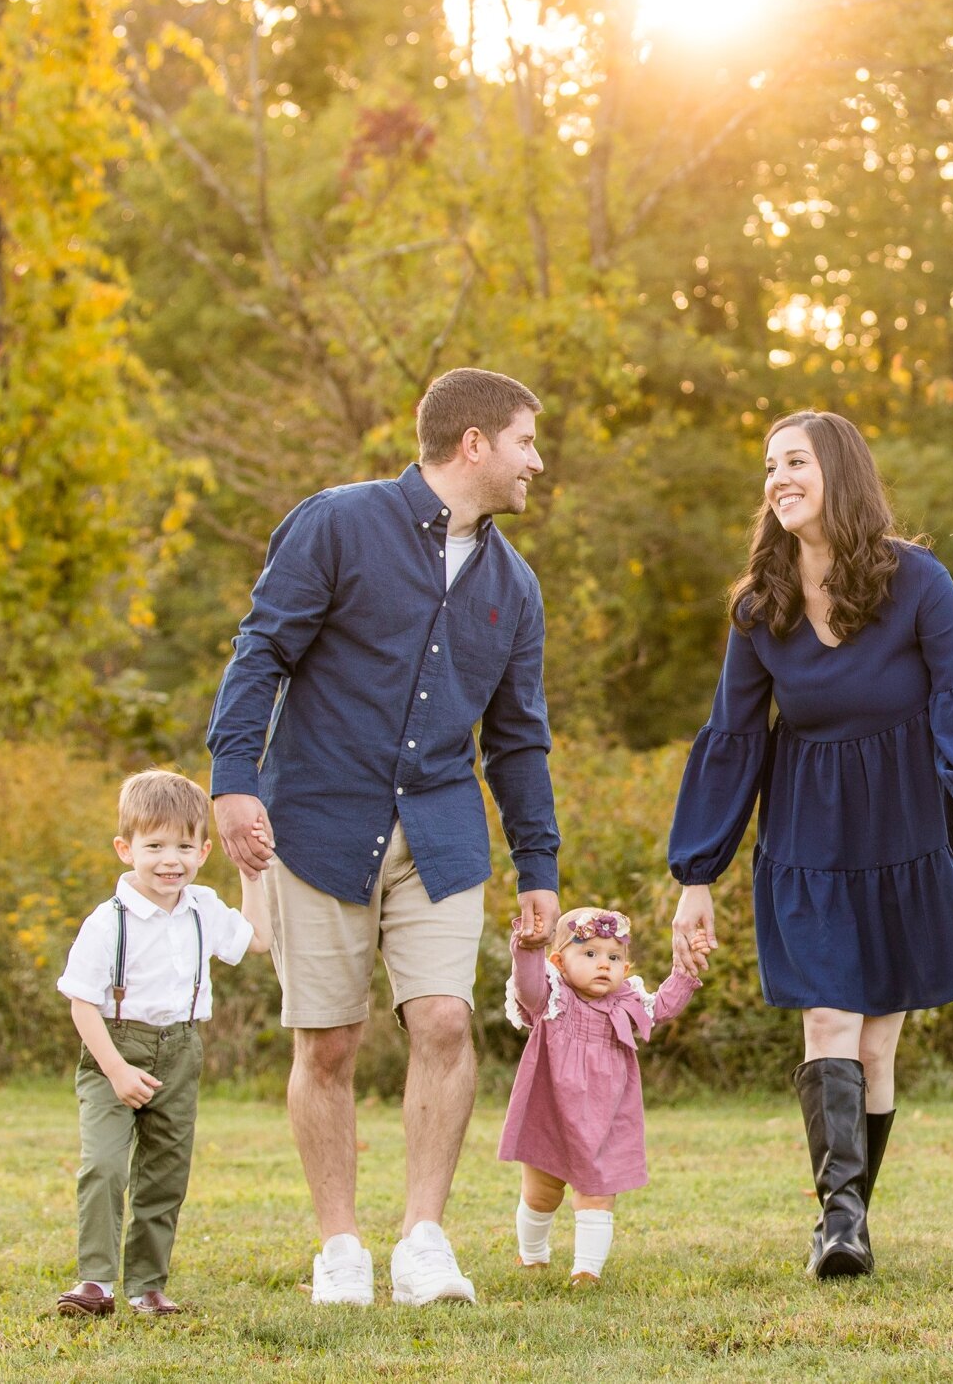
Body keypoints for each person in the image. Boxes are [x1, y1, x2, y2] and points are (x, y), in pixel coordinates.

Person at [204, 367, 563, 1308]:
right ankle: (341, 1247)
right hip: (320, 817)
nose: (538, 460)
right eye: (526, 440)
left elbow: (518, 736)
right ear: (474, 443)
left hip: (441, 828)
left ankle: (424, 1240)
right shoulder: (336, 523)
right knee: (327, 1042)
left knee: (444, 1021)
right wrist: (232, 782)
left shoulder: (515, 586)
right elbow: (262, 652)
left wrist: (540, 867)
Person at [667, 409, 953, 1279]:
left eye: (794, 460)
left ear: (839, 471)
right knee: (827, 1015)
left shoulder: (917, 581)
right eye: (768, 465)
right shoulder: (762, 604)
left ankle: (851, 1212)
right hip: (810, 828)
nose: (776, 477)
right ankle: (839, 1220)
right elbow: (734, 736)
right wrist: (697, 872)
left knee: (877, 1046)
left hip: (907, 825)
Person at [52, 769, 270, 1317]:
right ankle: (95, 1282)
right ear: (126, 849)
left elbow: (259, 940)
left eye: (183, 846)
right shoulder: (107, 923)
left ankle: (148, 1284)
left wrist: (254, 874)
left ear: (204, 850)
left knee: (165, 1173)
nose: (170, 859)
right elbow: (82, 1002)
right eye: (154, 846)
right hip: (114, 1050)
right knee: (104, 1165)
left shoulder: (203, 908)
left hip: (180, 1051)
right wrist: (118, 1072)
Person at [497, 906, 707, 1285]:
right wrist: (528, 948)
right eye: (590, 954)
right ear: (559, 962)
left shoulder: (625, 1002)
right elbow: (527, 987)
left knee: (598, 1192)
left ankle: (586, 1271)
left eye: (613, 957)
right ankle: (532, 1256)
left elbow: (663, 1006)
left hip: (607, 1116)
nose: (603, 965)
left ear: (625, 969)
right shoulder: (553, 998)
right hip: (552, 1111)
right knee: (541, 1192)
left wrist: (686, 967)